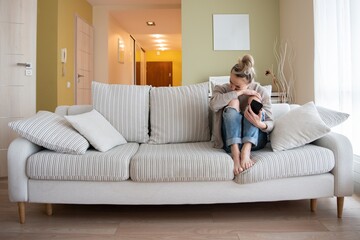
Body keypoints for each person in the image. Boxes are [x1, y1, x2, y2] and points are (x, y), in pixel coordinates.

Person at [210, 54, 274, 175]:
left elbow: (271, 123)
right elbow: (213, 105)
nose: (232, 86)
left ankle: (245, 151)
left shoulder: (261, 91)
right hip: (229, 141)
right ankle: (236, 154)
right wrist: (240, 92)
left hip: (255, 141)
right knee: (233, 101)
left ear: (249, 83)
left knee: (254, 99)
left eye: (237, 86)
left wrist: (259, 123)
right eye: (230, 81)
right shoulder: (222, 89)